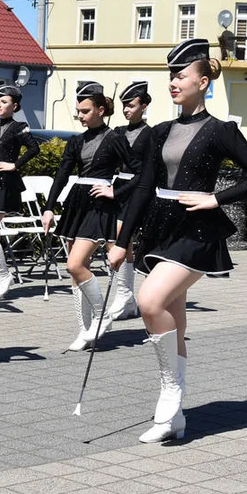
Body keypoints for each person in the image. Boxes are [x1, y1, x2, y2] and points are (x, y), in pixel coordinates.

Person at [108, 39, 247, 443]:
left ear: (203, 81)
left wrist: (216, 197)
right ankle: (175, 418)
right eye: (171, 76)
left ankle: (170, 390)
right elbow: (144, 187)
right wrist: (121, 241)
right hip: (161, 230)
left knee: (149, 302)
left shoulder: (221, 130)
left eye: (181, 76)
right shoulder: (160, 131)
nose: (173, 82)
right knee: (174, 324)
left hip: (197, 232)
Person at [41, 81, 139, 352]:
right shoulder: (76, 140)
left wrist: (114, 190)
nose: (80, 116)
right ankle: (85, 329)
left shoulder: (116, 138)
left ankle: (102, 314)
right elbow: (62, 174)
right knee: (75, 273)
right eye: (78, 111)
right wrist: (49, 207)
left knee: (75, 265)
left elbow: (141, 172)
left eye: (85, 111)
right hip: (77, 203)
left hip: (99, 205)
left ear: (100, 110)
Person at [0, 84, 39, 300]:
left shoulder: (19, 126)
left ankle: (4, 275)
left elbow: (34, 148)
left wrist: (15, 165)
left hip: (6, 183)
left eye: (4, 102)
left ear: (15, 106)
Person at [105, 81, 154, 322]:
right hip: (118, 186)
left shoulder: (150, 134)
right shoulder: (119, 132)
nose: (127, 110)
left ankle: (125, 296)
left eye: (131, 105)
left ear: (143, 106)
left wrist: (121, 190)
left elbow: (146, 171)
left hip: (136, 189)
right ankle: (126, 297)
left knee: (122, 236)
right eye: (124, 105)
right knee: (117, 240)